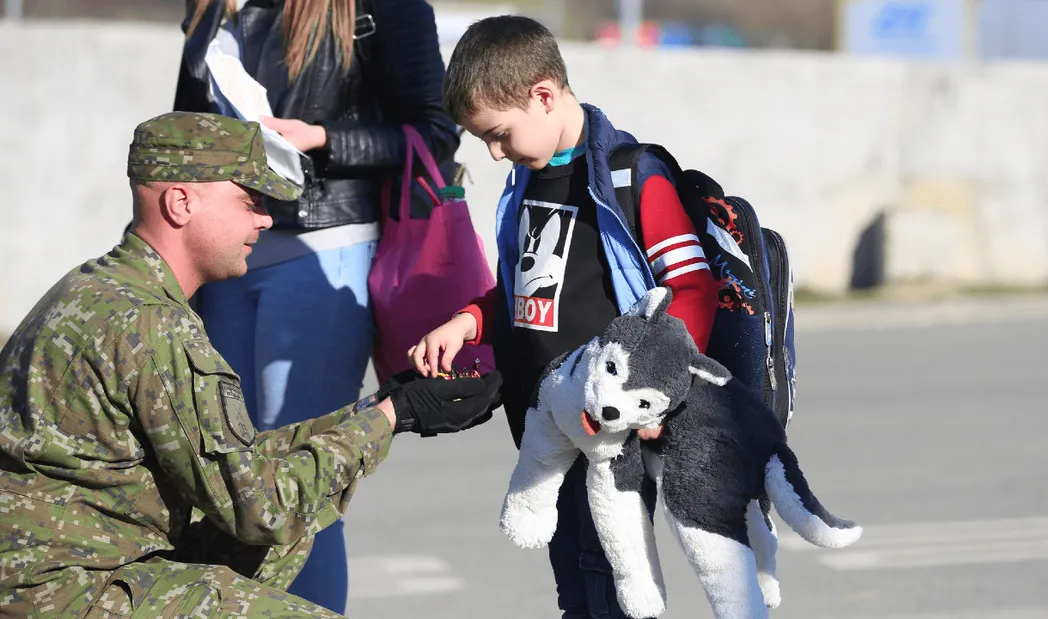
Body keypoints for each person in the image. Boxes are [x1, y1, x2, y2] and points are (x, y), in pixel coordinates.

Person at [0, 112, 501, 619]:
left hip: (58, 568)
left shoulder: (98, 287)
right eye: (250, 201)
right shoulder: (152, 325)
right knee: (284, 524)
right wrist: (392, 418)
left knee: (294, 518)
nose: (265, 220)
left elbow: (239, 467)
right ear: (181, 203)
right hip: (64, 592)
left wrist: (387, 404)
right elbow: (262, 506)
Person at [409, 16, 719, 619]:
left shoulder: (633, 176)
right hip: (546, 425)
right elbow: (529, 289)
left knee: (612, 590)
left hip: (612, 432)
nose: (495, 153)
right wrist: (469, 322)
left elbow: (691, 292)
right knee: (576, 592)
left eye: (499, 134)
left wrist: (653, 396)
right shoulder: (527, 181)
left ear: (544, 95)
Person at [172, 0, 461, 610]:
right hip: (223, 257)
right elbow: (183, 136)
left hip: (325, 246)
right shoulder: (212, 9)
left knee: (299, 480)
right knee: (230, 476)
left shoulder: (378, 8)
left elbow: (436, 131)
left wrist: (322, 139)